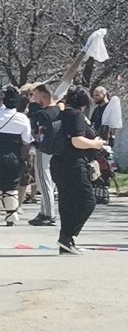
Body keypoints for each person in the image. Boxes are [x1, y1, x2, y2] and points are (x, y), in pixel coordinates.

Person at [51, 86, 104, 254]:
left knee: (67, 204)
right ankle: (67, 236)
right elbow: (77, 141)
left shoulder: (62, 113)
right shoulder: (76, 115)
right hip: (73, 164)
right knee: (87, 201)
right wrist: (96, 144)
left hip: (59, 163)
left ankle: (66, 242)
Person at [0, 86, 33, 226]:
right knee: (11, 186)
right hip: (14, 156)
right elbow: (26, 140)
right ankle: (11, 216)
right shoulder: (22, 118)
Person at [28, 83, 59, 226]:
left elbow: (37, 133)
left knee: (44, 182)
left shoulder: (44, 114)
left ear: (43, 96)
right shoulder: (59, 110)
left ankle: (49, 214)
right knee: (49, 182)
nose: (34, 99)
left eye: (36, 95)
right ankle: (44, 211)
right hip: (56, 150)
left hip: (45, 149)